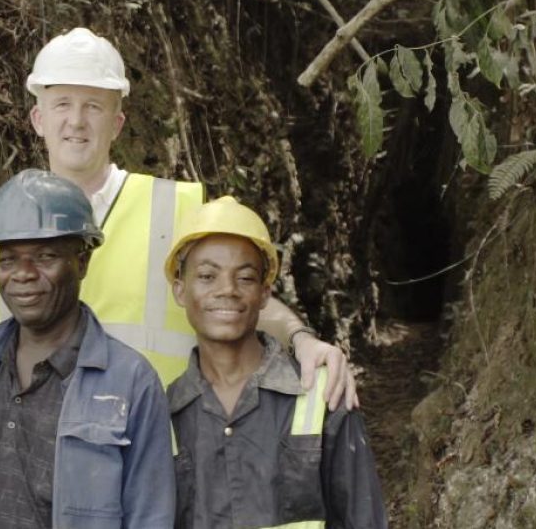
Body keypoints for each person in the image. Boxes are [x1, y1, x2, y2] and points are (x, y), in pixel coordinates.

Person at [0, 27, 358, 409]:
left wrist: (301, 340)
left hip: (153, 455)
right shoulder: (0, 220)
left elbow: (233, 296)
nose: (76, 121)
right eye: (62, 104)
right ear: (38, 119)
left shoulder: (173, 211)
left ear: (118, 123)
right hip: (33, 458)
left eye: (93, 106)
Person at [0, 169, 175, 529]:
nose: (23, 274)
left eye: (44, 257)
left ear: (82, 261)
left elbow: (150, 517)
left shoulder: (131, 383)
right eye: (9, 259)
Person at [164, 198, 386, 528]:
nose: (227, 290)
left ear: (265, 293)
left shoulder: (323, 397)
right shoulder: (164, 414)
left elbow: (363, 520)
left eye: (245, 278)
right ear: (180, 291)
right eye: (208, 276)